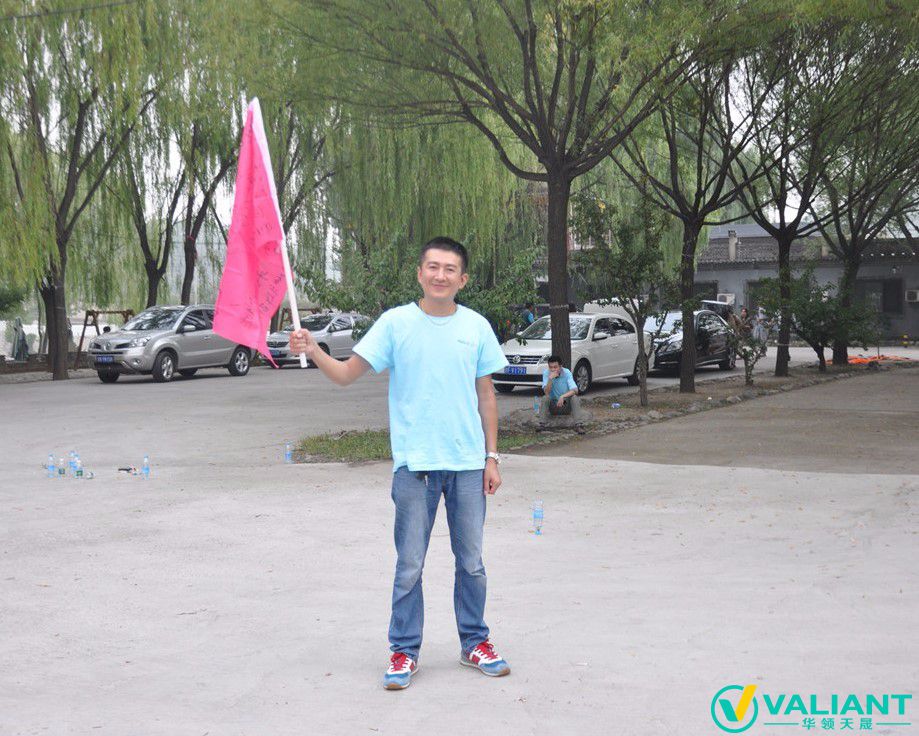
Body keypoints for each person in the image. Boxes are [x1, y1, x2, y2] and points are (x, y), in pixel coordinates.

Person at [289, 236, 511, 691]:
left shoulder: (476, 327)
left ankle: (475, 642)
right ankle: (404, 650)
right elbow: (346, 374)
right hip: (415, 467)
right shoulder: (395, 323)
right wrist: (313, 349)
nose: (440, 275)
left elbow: (486, 395)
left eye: (450, 269)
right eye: (433, 266)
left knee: (471, 563)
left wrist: (491, 457)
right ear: (419, 273)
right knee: (409, 564)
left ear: (463, 279)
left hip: (468, 464)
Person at [539, 355, 586, 425]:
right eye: (550, 367)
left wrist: (563, 396)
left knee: (574, 397)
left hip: (565, 404)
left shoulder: (567, 372)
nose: (553, 369)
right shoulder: (546, 373)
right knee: (545, 398)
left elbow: (575, 390)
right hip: (553, 405)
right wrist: (550, 379)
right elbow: (546, 393)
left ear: (560, 367)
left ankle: (578, 424)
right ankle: (542, 424)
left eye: (555, 367)